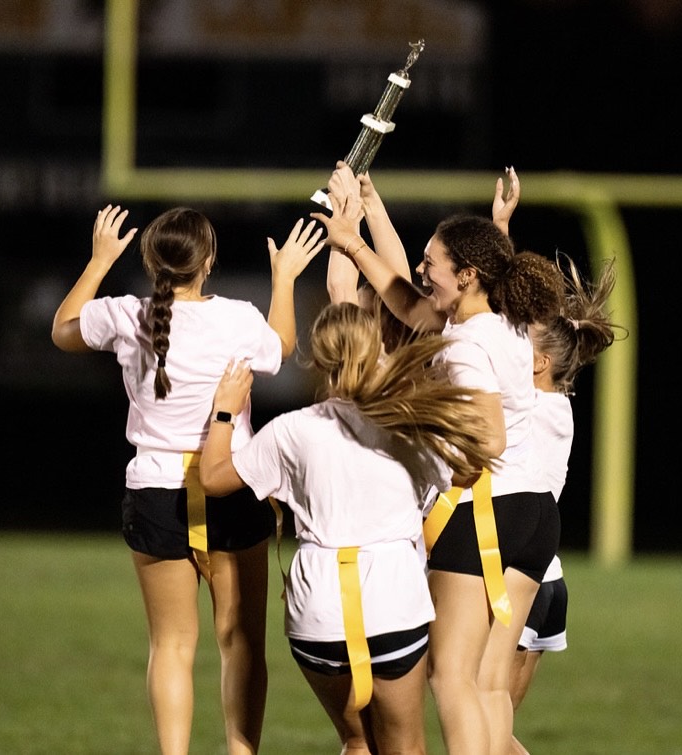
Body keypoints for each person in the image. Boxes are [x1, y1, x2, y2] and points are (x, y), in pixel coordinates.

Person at [312, 162, 565, 755]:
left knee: (449, 677)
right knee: (483, 684)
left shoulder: (468, 342)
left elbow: (490, 439)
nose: (423, 272)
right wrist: (362, 222)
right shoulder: (500, 320)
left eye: (433, 263)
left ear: (469, 274)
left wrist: (442, 447)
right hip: (533, 515)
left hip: (487, 511)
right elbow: (406, 302)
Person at [50, 204, 322, 755]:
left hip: (156, 490)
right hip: (230, 483)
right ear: (209, 260)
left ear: (151, 260)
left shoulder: (129, 314)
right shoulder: (239, 317)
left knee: (171, 645)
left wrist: (100, 260)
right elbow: (284, 348)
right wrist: (285, 278)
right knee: (240, 642)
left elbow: (62, 331)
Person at [199, 301, 494, 754]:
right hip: (393, 601)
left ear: (318, 360)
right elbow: (470, 470)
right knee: (404, 748)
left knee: (358, 743)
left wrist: (225, 410)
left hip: (318, 608)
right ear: (377, 348)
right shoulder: (406, 423)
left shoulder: (291, 430)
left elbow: (213, 478)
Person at [510, 253, 619, 755]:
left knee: (480, 728)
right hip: (546, 578)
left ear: (538, 362)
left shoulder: (526, 407)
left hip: (518, 579)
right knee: (489, 728)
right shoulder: (556, 405)